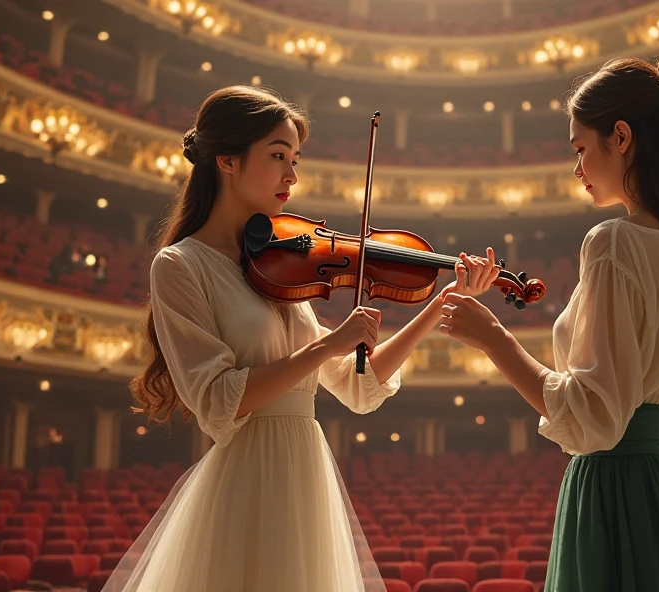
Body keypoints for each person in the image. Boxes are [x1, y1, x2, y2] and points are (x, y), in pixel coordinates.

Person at [104, 86, 499, 592]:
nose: (292, 174)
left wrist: (437, 304)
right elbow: (219, 398)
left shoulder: (277, 264)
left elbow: (357, 386)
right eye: (277, 157)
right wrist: (327, 346)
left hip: (305, 470)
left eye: (295, 159)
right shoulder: (181, 265)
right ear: (226, 161)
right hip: (249, 474)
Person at [438, 56, 659, 591]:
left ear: (620, 137)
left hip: (614, 493)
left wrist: (493, 338)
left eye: (581, 148)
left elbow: (597, 417)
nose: (576, 168)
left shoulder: (612, 241)